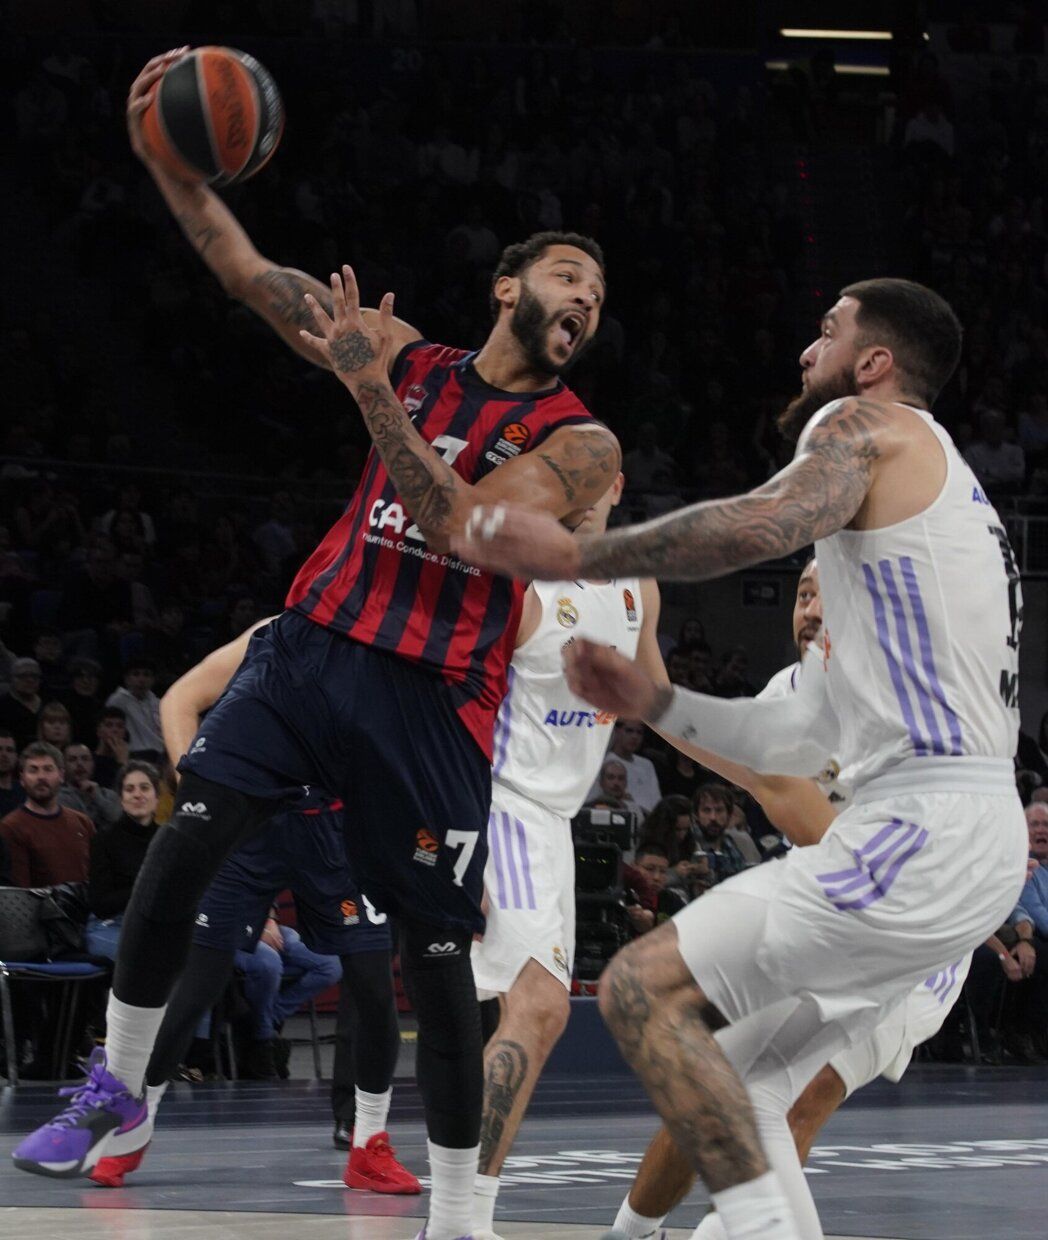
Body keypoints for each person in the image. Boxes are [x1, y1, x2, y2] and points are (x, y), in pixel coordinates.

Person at [15, 54, 618, 1240]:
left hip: (435, 700)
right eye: (566, 275)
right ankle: (115, 1091)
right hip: (310, 652)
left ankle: (458, 1210)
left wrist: (365, 384)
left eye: (599, 294)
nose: (586, 299)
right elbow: (244, 272)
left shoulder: (582, 445)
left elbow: (458, 523)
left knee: (434, 969)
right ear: (507, 287)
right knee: (180, 857)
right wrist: (167, 165)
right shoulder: (404, 352)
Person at [459, 277, 1027, 1240]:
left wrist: (577, 556)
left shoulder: (864, 425)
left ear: (874, 362)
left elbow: (755, 524)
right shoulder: (927, 524)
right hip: (969, 840)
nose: (809, 350)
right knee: (743, 1085)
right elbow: (791, 742)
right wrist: (658, 702)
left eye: (827, 331)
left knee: (642, 988)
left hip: (923, 829)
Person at [606, 563, 975, 1239]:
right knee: (720, 1079)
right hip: (832, 922)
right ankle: (639, 1232)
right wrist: (643, 641)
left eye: (830, 594)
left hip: (910, 947)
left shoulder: (911, 703)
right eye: (804, 592)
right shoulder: (790, 691)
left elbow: (821, 831)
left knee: (775, 1097)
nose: (810, 606)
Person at [88, 621, 417, 1195]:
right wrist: (197, 785)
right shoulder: (279, 630)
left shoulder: (392, 649)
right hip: (250, 825)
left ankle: (368, 1142)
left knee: (373, 986)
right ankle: (133, 1126)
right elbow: (182, 698)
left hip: (338, 831)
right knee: (196, 983)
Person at [470, 472, 664, 1238]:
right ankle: (462, 1220)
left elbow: (657, 700)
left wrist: (748, 760)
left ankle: (455, 1209)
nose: (581, 491)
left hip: (555, 822)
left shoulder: (637, 586)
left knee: (500, 1012)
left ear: (618, 486)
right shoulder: (514, 585)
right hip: (498, 801)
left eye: (595, 477)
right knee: (541, 1005)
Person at [85, 762, 162, 960]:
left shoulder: (167, 839)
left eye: (145, 788)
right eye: (130, 789)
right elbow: (100, 904)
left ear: (157, 798)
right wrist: (145, 888)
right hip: (111, 924)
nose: (137, 794)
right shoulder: (104, 840)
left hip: (158, 925)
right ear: (121, 799)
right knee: (152, 956)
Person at [0, 742, 94, 887]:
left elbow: (97, 877)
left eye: (48, 769)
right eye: (33, 770)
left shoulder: (82, 822)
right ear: (22, 779)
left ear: (61, 775)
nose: (41, 777)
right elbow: (20, 892)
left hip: (87, 908)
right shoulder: (11, 827)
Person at [105, 658, 163, 759]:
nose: (141, 679)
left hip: (159, 754)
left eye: (146, 675)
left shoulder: (158, 703)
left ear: (153, 680)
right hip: (132, 754)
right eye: (136, 674)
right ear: (127, 679)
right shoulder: (117, 700)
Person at [61, 742, 122, 830]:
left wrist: (97, 796)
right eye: (72, 759)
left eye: (85, 759)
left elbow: (117, 819)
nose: (79, 763)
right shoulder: (58, 796)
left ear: (93, 764)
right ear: (63, 766)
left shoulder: (109, 795)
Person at [0, 657, 43, 750]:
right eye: (23, 676)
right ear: (11, 678)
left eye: (34, 676)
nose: (30, 680)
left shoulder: (48, 704)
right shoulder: (2, 706)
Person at [0, 728, 22, 818]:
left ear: (16, 757)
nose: (4, 754)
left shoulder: (25, 792)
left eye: (9, 750)